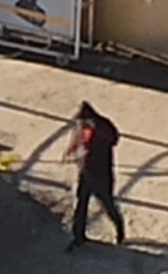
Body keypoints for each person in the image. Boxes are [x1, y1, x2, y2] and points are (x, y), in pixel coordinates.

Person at [64, 99, 125, 249]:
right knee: (81, 204)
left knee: (107, 204)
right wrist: (71, 150)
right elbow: (77, 139)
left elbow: (113, 139)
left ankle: (119, 229)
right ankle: (78, 236)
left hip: (100, 174)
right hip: (86, 172)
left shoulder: (101, 130)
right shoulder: (83, 126)